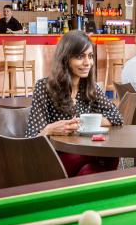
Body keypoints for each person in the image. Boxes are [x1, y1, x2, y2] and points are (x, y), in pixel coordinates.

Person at [25, 30, 123, 177]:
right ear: (65, 59)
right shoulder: (44, 87)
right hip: (55, 158)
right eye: (80, 57)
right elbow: (31, 138)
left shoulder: (91, 88)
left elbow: (117, 117)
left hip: (85, 155)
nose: (87, 63)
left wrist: (90, 121)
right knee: (102, 154)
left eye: (90, 56)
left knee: (94, 166)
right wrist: (50, 129)